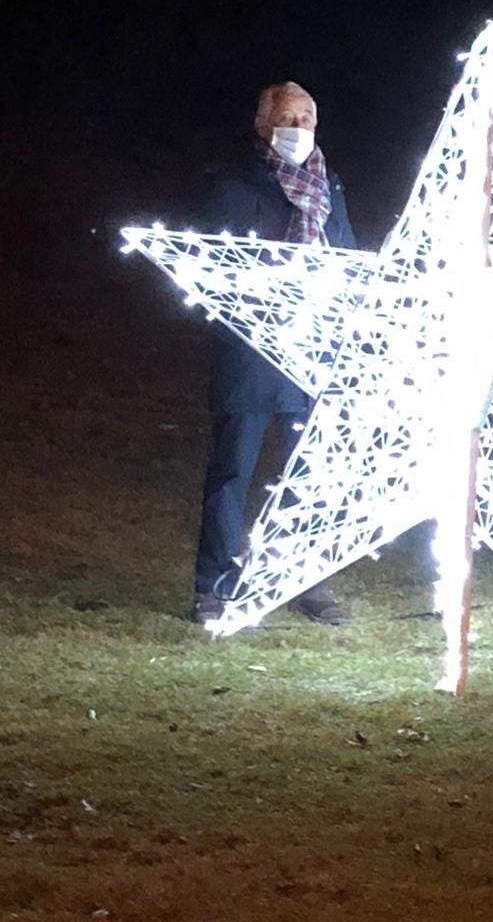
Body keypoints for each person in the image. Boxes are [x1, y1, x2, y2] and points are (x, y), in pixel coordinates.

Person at [192, 81, 358, 625]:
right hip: (251, 350)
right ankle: (215, 585)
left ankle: (304, 579)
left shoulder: (328, 185)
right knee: (233, 472)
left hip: (312, 352)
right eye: (290, 117)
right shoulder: (233, 185)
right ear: (264, 125)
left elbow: (347, 254)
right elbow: (218, 263)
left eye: (309, 117)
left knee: (309, 471)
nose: (301, 128)